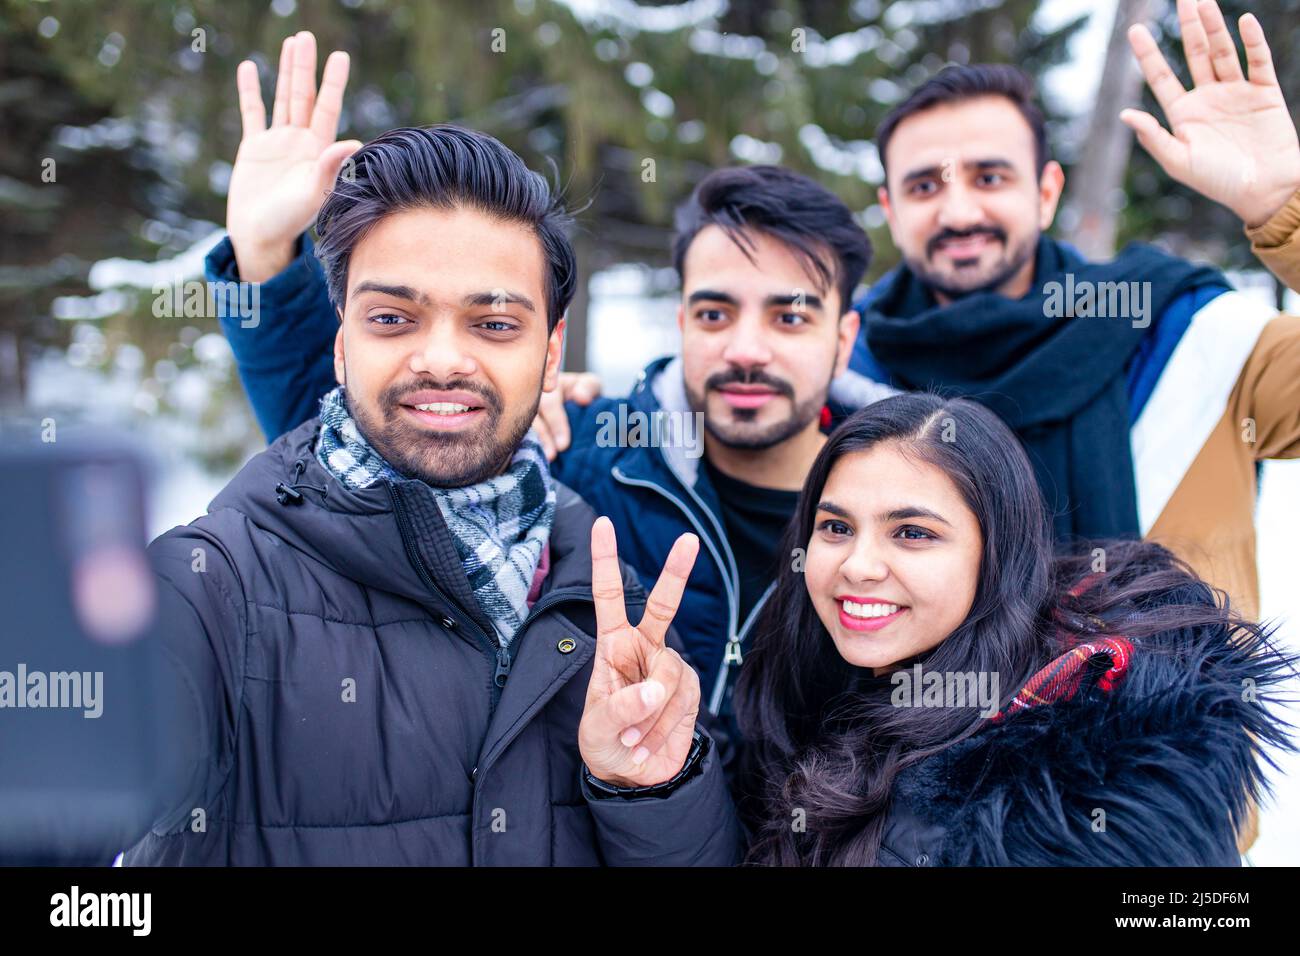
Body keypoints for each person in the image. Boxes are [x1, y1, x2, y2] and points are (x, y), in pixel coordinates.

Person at [202, 32, 892, 735]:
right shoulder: (582, 453)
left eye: (789, 317)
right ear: (680, 320)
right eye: (716, 312)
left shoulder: (913, 505)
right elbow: (368, 451)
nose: (746, 349)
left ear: (843, 338)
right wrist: (263, 260)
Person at [123, 120, 740, 865]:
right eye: (392, 318)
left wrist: (647, 790)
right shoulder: (208, 590)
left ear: (550, 354)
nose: (443, 359)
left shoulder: (617, 609)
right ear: (342, 344)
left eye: (493, 323)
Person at [853, 0, 1300, 633]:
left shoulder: (1189, 334)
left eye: (989, 177)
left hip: (1175, 731)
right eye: (925, 187)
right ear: (891, 210)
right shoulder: (842, 374)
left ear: (1045, 193)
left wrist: (1286, 208)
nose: (957, 213)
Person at [733, 391, 1294, 866]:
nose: (857, 565)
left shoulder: (1088, 781)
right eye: (836, 527)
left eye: (912, 533)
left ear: (997, 554)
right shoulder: (809, 685)